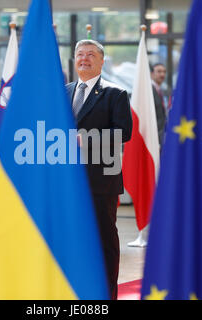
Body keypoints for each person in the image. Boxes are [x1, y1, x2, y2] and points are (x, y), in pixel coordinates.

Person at [66, 39, 132, 300]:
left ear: (102, 61)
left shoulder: (115, 93)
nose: (84, 58)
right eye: (80, 54)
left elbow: (123, 132)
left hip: (100, 183)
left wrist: (86, 139)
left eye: (91, 54)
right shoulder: (63, 91)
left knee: (103, 243)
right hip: (67, 181)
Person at [150, 63, 168, 145]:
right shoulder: (149, 90)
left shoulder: (161, 91)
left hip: (161, 134)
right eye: (159, 71)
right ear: (152, 74)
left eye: (164, 72)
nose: (162, 74)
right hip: (153, 135)